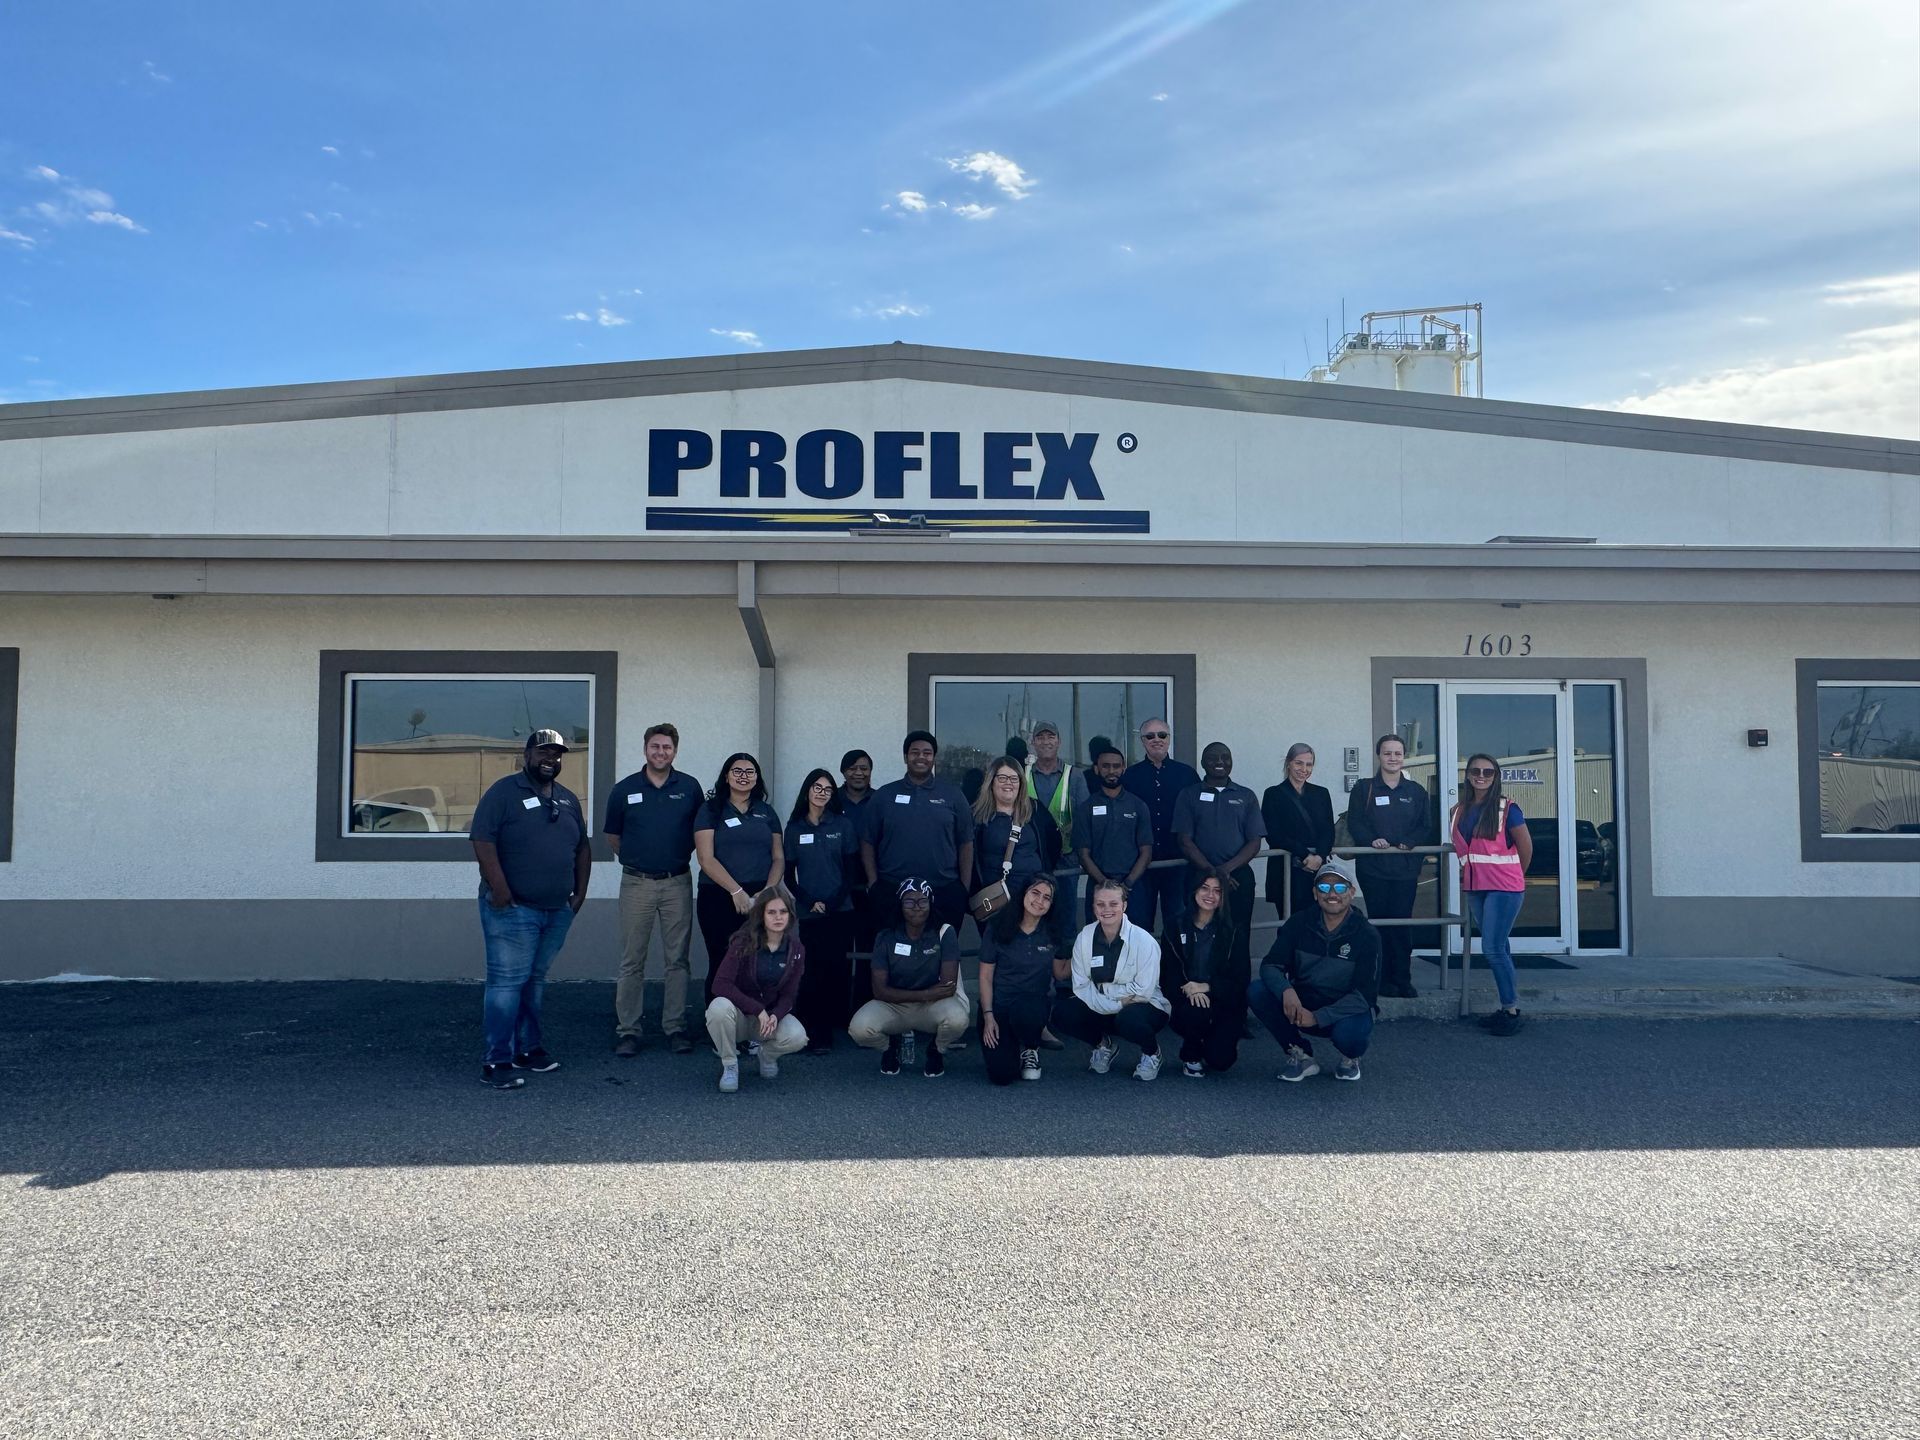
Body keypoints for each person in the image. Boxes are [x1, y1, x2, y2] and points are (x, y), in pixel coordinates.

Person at [469, 729, 590, 1089]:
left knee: (533, 981)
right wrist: (501, 889)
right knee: (506, 983)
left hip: (556, 909)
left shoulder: (568, 799)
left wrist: (580, 893)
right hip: (513, 908)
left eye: (556, 754)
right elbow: (482, 839)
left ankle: (528, 1049)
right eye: (544, 753)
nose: (550, 760)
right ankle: (497, 1061)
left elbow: (582, 846)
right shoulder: (504, 793)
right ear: (526, 755)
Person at [604, 721, 705, 1057]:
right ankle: (629, 1031)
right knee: (632, 960)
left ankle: (675, 1027)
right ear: (645, 748)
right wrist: (640, 858)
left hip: (677, 882)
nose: (661, 752)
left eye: (667, 747)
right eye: (655, 746)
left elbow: (699, 833)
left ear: (675, 751)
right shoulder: (624, 789)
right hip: (637, 883)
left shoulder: (689, 788)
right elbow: (613, 836)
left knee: (677, 960)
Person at [1247, 857, 1380, 1082]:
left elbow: (1365, 995)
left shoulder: (1367, 935)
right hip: (1303, 1001)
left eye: (1339, 887)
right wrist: (1286, 991)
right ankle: (1301, 1054)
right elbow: (1271, 965)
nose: (1332, 894)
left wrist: (1318, 1017)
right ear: (1315, 893)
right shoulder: (1298, 923)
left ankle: (1350, 1058)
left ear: (1351, 892)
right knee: (1257, 991)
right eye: (1324, 887)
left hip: (1345, 1009)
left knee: (1351, 1035)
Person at [848, 878, 968, 1078]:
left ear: (931, 904)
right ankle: (889, 1048)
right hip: (897, 1006)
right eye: (909, 902)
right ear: (900, 905)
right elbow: (879, 990)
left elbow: (947, 986)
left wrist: (917, 996)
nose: (916, 907)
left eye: (923, 901)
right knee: (859, 1029)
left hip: (932, 1005)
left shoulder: (944, 932)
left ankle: (936, 1050)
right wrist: (925, 994)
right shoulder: (885, 936)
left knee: (957, 1019)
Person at [693, 753, 785, 1010]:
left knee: (756, 964)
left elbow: (778, 858)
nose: (744, 776)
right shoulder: (710, 810)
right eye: (737, 771)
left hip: (760, 898)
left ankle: (754, 1026)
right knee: (723, 961)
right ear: (726, 776)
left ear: (757, 778)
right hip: (719, 896)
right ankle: (719, 1029)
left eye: (750, 771)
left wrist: (766, 893)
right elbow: (705, 858)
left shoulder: (767, 812)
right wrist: (736, 891)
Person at [1055, 879, 1171, 1082]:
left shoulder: (1144, 941)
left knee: (1129, 1019)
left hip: (1144, 1007)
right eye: (1100, 904)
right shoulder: (1085, 937)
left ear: (1124, 905)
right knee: (1062, 1013)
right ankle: (1103, 1045)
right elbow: (1081, 986)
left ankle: (1152, 1053)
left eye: (1114, 904)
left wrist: (1104, 995)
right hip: (1113, 1003)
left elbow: (1142, 991)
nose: (1106, 909)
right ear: (1093, 906)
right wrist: (1117, 1002)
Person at [1451, 752, 1533, 1036]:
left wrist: (1514, 877)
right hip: (1476, 889)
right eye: (1476, 771)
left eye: (1488, 772)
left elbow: (1525, 847)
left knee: (1492, 949)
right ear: (1468, 775)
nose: (1481, 776)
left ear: (1496, 776)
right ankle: (1506, 1007)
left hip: (1504, 888)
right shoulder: (1458, 810)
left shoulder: (1507, 809)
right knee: (1500, 947)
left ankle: (1510, 1010)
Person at [861, 731, 975, 933]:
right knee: (893, 955)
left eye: (927, 752)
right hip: (892, 890)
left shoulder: (953, 795)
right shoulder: (884, 796)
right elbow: (868, 841)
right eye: (915, 752)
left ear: (934, 758)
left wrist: (963, 888)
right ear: (905, 757)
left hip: (944, 890)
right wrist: (873, 882)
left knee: (942, 955)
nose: (921, 757)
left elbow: (965, 842)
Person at [1347, 734, 1432, 999]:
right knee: (1379, 925)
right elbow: (1356, 822)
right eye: (1387, 753)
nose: (1392, 758)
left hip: (1405, 869)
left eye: (1397, 753)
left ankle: (1402, 979)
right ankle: (1381, 979)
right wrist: (1371, 840)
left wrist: (1409, 842)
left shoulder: (1416, 791)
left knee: (1401, 924)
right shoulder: (1364, 788)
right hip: (1373, 869)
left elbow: (1425, 826)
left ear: (1403, 757)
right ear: (1379, 756)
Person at [1173, 741, 1266, 981]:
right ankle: (1197, 991)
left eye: (1225, 757)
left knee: (1238, 935)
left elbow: (1254, 842)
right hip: (1198, 878)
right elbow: (1184, 840)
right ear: (1203, 763)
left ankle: (1236, 996)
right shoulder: (1188, 795)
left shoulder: (1246, 796)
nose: (1220, 762)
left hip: (1238, 878)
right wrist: (1211, 873)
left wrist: (1225, 870)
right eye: (1213, 758)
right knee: (1198, 933)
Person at [704, 891, 808, 1093]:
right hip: (740, 1018)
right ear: (761, 915)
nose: (778, 917)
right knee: (718, 1008)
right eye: (771, 912)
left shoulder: (795, 949)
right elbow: (720, 984)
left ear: (790, 916)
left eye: (783, 912)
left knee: (798, 1037)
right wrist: (758, 1010)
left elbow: (789, 994)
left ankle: (767, 1055)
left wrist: (775, 1016)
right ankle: (730, 1065)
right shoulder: (743, 942)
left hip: (767, 1020)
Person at [786, 768, 856, 1055]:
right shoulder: (794, 829)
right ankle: (809, 1029)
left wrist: (833, 902)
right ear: (807, 790)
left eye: (827, 789)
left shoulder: (842, 825)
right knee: (811, 971)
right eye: (817, 787)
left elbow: (851, 872)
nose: (822, 792)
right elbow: (789, 876)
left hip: (840, 910)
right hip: (809, 913)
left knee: (835, 969)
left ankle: (829, 1030)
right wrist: (809, 901)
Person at [978, 873, 1071, 1085]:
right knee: (1002, 1076)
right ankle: (1010, 1045)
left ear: (1052, 904)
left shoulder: (1053, 932)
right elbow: (985, 976)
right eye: (1035, 893)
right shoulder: (998, 926)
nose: (1039, 901)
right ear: (1023, 894)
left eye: (1047, 897)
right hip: (998, 1007)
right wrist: (988, 1016)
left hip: (1032, 1006)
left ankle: (1031, 1048)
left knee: (1027, 1012)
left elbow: (1060, 973)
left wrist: (1086, 953)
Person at [972, 755, 1068, 951]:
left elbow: (1054, 841)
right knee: (998, 952)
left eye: (1014, 778)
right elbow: (968, 857)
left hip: (1033, 898)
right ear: (991, 781)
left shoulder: (1034, 809)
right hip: (997, 900)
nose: (1009, 783)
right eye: (1002, 778)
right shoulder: (977, 816)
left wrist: (1045, 874)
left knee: (1033, 951)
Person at [1161, 872, 1247, 1077]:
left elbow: (1240, 979)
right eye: (1205, 888)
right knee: (1196, 1009)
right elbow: (1168, 973)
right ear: (1194, 891)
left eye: (1218, 891)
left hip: (1222, 999)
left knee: (1221, 1060)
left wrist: (1207, 987)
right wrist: (1191, 989)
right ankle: (1190, 1053)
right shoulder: (1175, 925)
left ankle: (1215, 1038)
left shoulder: (1233, 929)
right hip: (1186, 996)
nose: (1210, 895)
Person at [1121, 718, 1201, 934]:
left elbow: (1198, 816)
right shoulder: (1129, 776)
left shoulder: (1187, 774)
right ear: (1142, 741)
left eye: (1162, 735)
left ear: (1169, 738)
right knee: (1138, 924)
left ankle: (1174, 968)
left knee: (1177, 922)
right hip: (1139, 865)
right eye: (1150, 736)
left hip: (1178, 862)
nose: (1156, 740)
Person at [1073, 743, 1154, 927]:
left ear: (1123, 769)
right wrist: (1106, 886)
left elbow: (1146, 851)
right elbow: (1083, 854)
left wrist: (1127, 885)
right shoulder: (1086, 808)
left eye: (1116, 766)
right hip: (1098, 888)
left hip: (1133, 888)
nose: (1111, 771)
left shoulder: (1138, 806)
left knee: (1135, 943)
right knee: (1099, 943)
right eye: (1106, 766)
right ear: (1096, 769)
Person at [1261, 742, 1336, 923]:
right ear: (1288, 763)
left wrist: (1320, 855)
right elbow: (1272, 833)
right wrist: (1304, 854)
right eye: (1298, 763)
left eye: (1308, 764)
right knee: (1289, 923)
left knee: (1318, 922)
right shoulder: (1273, 794)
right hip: (1286, 868)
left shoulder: (1321, 793)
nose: (1304, 769)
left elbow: (1328, 829)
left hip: (1316, 870)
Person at [1023, 720, 1084, 850]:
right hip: (1031, 855)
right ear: (1033, 743)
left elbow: (1084, 817)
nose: (1046, 742)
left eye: (1051, 737)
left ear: (1059, 742)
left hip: (1066, 859)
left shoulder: (1075, 776)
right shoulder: (1022, 775)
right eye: (1040, 738)